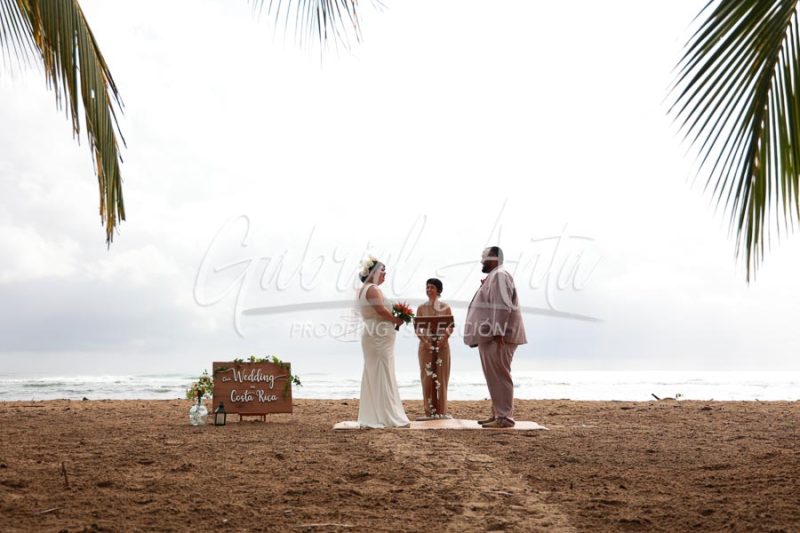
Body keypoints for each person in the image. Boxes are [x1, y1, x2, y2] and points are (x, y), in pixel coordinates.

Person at [464, 246, 527, 428]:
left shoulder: (499, 276)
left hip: (498, 337)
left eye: (484, 257)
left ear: (494, 258)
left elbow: (502, 305)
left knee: (499, 376)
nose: (481, 261)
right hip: (490, 336)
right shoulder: (496, 276)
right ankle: (497, 413)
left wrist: (498, 331)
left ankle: (504, 417)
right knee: (494, 377)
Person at [356, 257, 410, 428]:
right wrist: (396, 320)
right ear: (374, 272)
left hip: (373, 333)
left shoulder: (363, 289)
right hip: (378, 335)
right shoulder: (373, 289)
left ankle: (375, 413)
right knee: (382, 371)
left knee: (375, 371)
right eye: (383, 271)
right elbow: (380, 310)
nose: (385, 274)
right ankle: (386, 415)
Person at [415, 278, 454, 420]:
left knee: (442, 377)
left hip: (442, 346)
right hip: (425, 346)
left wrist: (444, 339)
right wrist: (424, 341)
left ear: (438, 290)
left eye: (432, 287)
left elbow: (450, 327)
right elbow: (417, 328)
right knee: (426, 378)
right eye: (427, 287)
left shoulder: (446, 307)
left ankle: (442, 412)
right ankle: (429, 412)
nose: (429, 290)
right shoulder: (421, 308)